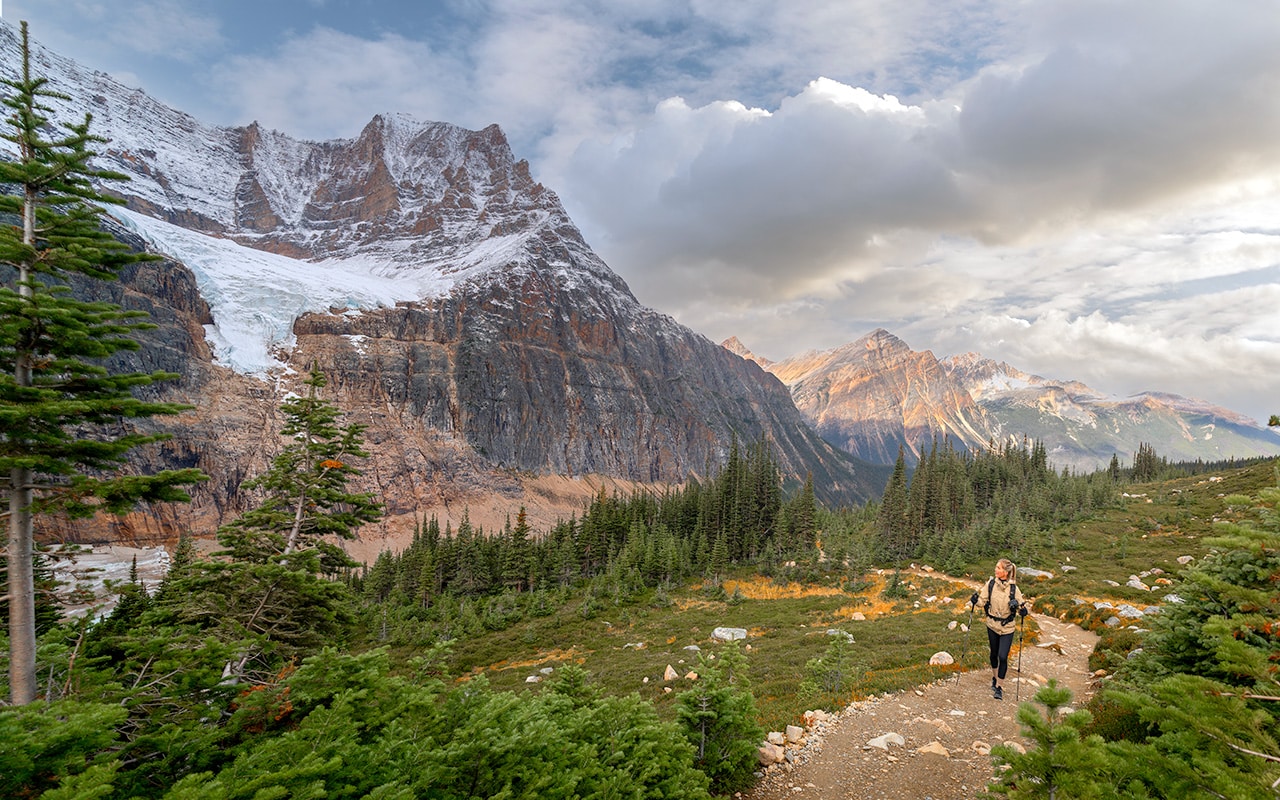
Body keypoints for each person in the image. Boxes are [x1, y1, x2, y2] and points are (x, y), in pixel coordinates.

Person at [969, 558, 1028, 700]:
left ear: (1006, 572)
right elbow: (982, 601)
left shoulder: (1014, 589)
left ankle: (999, 687)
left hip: (1008, 627)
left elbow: (1021, 607)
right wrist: (975, 600)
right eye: (996, 567)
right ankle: (995, 678)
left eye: (999, 568)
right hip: (992, 625)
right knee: (993, 654)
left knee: (1003, 656)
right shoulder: (990, 584)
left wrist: (1022, 611)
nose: (996, 570)